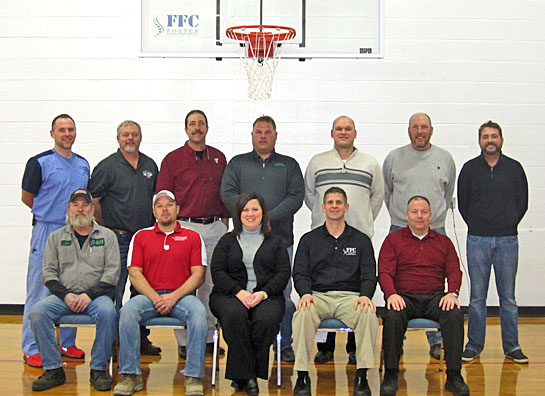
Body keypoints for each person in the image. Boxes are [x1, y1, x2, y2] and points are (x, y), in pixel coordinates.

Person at [221, 115, 304, 362]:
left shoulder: (289, 165)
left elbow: (296, 196)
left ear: (276, 136)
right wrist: (252, 217)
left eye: (268, 132)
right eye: (259, 132)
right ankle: (246, 344)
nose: (263, 136)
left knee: (283, 294)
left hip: (281, 242)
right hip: (243, 242)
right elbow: (227, 194)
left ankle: (284, 344)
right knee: (244, 292)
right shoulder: (237, 164)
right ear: (252, 136)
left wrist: (267, 218)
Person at [304, 115, 384, 364]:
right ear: (331, 133)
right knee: (323, 287)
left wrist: (359, 222)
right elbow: (310, 197)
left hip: (357, 237)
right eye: (339, 129)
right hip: (323, 237)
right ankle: (324, 347)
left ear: (355, 133)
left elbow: (377, 198)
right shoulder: (318, 162)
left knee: (355, 290)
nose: (343, 132)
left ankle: (353, 348)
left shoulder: (370, 163)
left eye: (348, 129)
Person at [114, 190, 208, 396]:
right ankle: (130, 375)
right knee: (128, 311)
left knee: (199, 313)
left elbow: (198, 275)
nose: (165, 209)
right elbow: (134, 273)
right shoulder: (141, 236)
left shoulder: (193, 237)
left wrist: (174, 296)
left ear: (178, 209)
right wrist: (156, 298)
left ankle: (193, 376)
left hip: (182, 298)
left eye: (169, 205)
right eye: (160, 205)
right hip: (149, 298)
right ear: (154, 211)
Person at [156, 110, 230, 359]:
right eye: (192, 124)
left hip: (214, 226)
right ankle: (185, 340)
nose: (197, 128)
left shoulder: (219, 157)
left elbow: (226, 192)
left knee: (210, 284)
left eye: (201, 123)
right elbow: (163, 196)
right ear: (185, 129)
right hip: (184, 227)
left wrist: (224, 220)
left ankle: (207, 337)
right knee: (183, 284)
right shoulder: (173, 159)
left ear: (207, 128)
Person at [29, 189, 119, 392]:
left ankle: (98, 369)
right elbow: (48, 273)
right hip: (63, 297)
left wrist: (89, 295)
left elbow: (112, 273)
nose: (80, 209)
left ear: (92, 209)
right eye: (76, 205)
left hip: (97, 297)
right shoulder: (55, 237)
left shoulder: (107, 236)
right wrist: (66, 295)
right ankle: (53, 369)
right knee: (37, 313)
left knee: (108, 313)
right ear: (68, 209)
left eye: (85, 205)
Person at [382, 112, 456, 359]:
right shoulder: (394, 157)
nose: (420, 131)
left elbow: (447, 193)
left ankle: (436, 341)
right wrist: (403, 218)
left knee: (434, 286)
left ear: (431, 130)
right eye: (415, 127)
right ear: (408, 130)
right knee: (399, 286)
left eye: (424, 127)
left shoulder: (444, 158)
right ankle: (396, 342)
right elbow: (387, 191)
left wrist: (431, 217)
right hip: (399, 228)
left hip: (435, 229)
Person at [378, 196, 469, 396]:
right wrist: (391, 294)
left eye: (424, 212)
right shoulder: (393, 240)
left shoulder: (443, 242)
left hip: (434, 297)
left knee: (454, 314)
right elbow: (384, 271)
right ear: (407, 215)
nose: (419, 216)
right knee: (392, 315)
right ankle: (391, 375)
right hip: (403, 297)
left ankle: (454, 376)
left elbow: (454, 270)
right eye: (415, 212)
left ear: (431, 215)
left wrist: (452, 293)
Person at [292, 187, 378, 396]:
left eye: (338, 202)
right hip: (317, 297)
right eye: (330, 202)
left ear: (346, 207)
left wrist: (365, 295)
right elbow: (300, 273)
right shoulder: (309, 240)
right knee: (302, 314)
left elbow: (369, 273)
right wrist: (305, 293)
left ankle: (362, 376)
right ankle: (302, 376)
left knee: (368, 314)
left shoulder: (361, 240)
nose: (334, 206)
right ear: (323, 207)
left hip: (351, 298)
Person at [21, 114, 90, 368]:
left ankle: (66, 342)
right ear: (52, 133)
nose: (67, 134)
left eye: (71, 129)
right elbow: (27, 197)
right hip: (47, 230)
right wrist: (48, 215)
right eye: (62, 130)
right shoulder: (39, 163)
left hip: (75, 231)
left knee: (72, 285)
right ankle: (32, 346)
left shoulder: (83, 164)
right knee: (40, 288)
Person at [458, 120, 529, 363]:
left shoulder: (514, 168)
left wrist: (507, 223)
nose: (490, 140)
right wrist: (479, 225)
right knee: (477, 297)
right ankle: (474, 345)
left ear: (501, 140)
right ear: (479, 141)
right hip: (477, 239)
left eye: (494, 136)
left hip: (508, 240)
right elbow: (463, 204)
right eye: (486, 136)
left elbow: (523, 203)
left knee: (507, 298)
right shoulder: (469, 169)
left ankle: (512, 347)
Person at [88, 120, 161, 356]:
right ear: (118, 138)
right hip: (116, 239)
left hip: (144, 240)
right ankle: (112, 341)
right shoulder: (107, 166)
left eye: (134, 134)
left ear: (141, 137)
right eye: (125, 135)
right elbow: (94, 201)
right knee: (114, 290)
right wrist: (107, 229)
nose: (130, 138)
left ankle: (139, 339)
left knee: (142, 292)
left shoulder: (150, 165)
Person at [209, 192, 290, 396]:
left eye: (255, 209)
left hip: (267, 295)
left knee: (267, 319)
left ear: (263, 213)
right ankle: (250, 376)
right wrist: (238, 292)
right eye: (245, 209)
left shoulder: (276, 241)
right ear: (238, 214)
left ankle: (241, 374)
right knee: (235, 316)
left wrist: (263, 293)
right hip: (229, 295)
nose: (250, 214)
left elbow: (282, 274)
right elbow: (217, 272)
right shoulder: (227, 240)